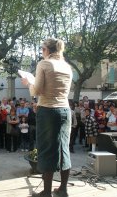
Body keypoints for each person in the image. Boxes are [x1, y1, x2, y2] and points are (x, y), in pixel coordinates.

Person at [22, 38, 72, 197]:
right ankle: (63, 189)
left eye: (42, 49)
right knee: (64, 148)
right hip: (65, 110)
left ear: (48, 50)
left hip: (48, 111)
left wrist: (28, 83)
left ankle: (47, 192)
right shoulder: (66, 66)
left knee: (46, 150)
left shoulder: (44, 64)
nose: (41, 52)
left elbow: (36, 91)